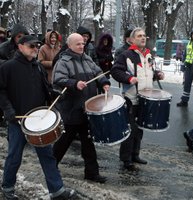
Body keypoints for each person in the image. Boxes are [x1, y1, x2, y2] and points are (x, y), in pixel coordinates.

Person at [0, 35, 76, 200]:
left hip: (38, 121)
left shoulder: (37, 67)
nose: (35, 49)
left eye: (37, 46)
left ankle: (57, 191)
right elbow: (1, 91)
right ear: (20, 46)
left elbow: (45, 87)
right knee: (14, 156)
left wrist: (53, 94)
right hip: (18, 121)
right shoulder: (8, 67)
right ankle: (7, 187)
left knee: (47, 156)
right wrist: (8, 110)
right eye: (31, 46)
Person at [52, 33, 110, 183]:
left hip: (87, 108)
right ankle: (50, 168)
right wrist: (74, 83)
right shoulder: (63, 62)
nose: (81, 46)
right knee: (63, 143)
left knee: (88, 143)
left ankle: (92, 172)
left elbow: (98, 72)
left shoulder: (87, 58)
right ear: (70, 45)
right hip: (71, 109)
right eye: (78, 44)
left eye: (83, 43)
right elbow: (58, 80)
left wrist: (103, 82)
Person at [111, 27, 164, 171]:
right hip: (130, 97)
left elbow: (147, 73)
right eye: (139, 36)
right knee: (130, 129)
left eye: (144, 36)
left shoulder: (148, 55)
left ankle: (135, 154)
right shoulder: (126, 55)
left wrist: (157, 74)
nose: (143, 38)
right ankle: (126, 159)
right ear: (132, 39)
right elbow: (115, 71)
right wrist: (128, 78)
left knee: (140, 128)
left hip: (145, 97)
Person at [177, 29, 193, 110]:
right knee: (186, 84)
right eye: (192, 34)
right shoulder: (189, 44)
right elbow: (185, 55)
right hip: (189, 67)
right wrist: (183, 65)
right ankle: (184, 101)